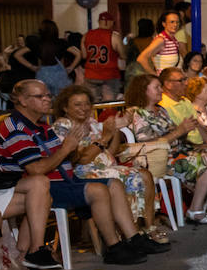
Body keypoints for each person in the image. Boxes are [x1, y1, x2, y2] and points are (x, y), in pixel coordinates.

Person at [0, 80, 159, 265]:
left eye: (48, 95)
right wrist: (68, 149)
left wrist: (75, 148)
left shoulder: (41, 126)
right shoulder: (16, 128)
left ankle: (133, 238)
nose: (47, 99)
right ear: (23, 101)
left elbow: (68, 160)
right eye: (40, 96)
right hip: (41, 189)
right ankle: (113, 247)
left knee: (114, 184)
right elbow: (36, 170)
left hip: (62, 180)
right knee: (98, 190)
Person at [51, 84, 160, 239]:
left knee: (145, 174)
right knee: (132, 177)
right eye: (77, 104)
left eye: (87, 104)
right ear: (65, 108)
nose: (84, 108)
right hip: (83, 172)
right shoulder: (64, 125)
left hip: (106, 166)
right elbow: (82, 159)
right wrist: (105, 137)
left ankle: (149, 227)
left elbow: (111, 152)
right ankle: (131, 231)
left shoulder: (91, 123)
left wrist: (115, 130)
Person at [133, 71, 207, 223]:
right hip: (162, 159)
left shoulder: (161, 111)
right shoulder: (139, 114)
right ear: (144, 91)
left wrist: (202, 143)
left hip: (180, 149)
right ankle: (195, 209)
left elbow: (178, 136)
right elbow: (147, 145)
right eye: (156, 87)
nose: (160, 91)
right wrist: (180, 130)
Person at [83, 12, 125, 101]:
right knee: (109, 104)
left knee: (92, 104)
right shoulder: (114, 36)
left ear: (99, 21)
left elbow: (84, 55)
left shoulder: (86, 35)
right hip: (110, 75)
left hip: (91, 74)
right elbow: (123, 55)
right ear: (110, 22)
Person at [138, 11, 184, 76]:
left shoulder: (173, 39)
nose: (175, 25)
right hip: (165, 81)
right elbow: (141, 58)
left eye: (177, 22)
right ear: (164, 24)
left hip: (172, 80)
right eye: (172, 22)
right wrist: (155, 75)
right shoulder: (160, 40)